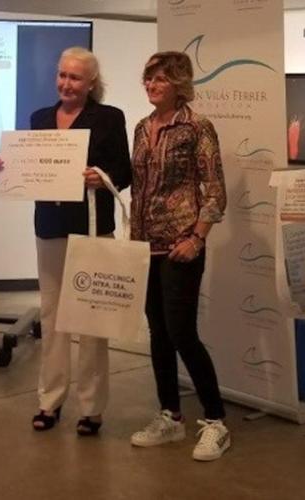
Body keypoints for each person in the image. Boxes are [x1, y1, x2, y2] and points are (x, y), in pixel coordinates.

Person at [0, 47, 132, 436]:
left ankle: (92, 408)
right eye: (62, 75)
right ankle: (49, 401)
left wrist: (101, 177)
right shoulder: (39, 118)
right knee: (53, 318)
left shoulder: (109, 117)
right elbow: (26, 170)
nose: (66, 84)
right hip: (50, 227)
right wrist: (2, 170)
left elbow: (124, 171)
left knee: (92, 320)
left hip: (92, 229)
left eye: (75, 77)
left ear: (91, 82)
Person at [127, 51, 229, 462]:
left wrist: (198, 238)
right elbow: (138, 185)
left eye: (161, 79)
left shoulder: (197, 127)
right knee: (158, 333)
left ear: (180, 84)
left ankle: (216, 421)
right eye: (148, 78)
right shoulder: (141, 127)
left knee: (182, 332)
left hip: (180, 246)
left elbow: (215, 189)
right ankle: (170, 415)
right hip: (144, 246)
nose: (152, 85)